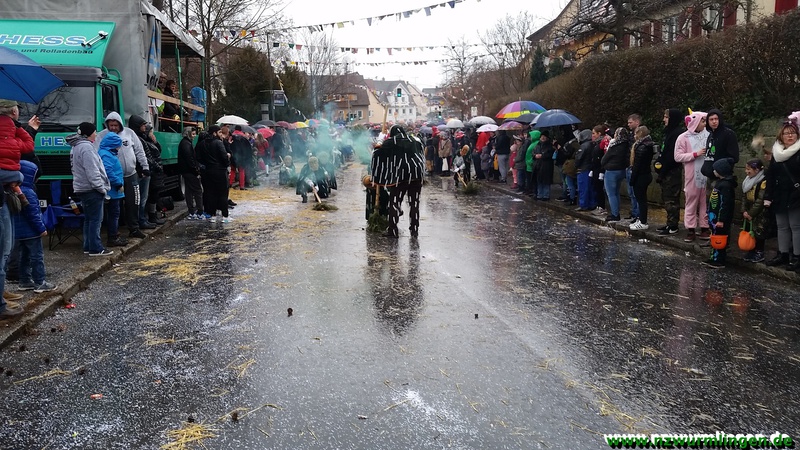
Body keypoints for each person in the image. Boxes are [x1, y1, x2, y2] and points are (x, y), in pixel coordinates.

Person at [95, 112, 149, 240]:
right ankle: (115, 231)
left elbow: (139, 151)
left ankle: (134, 228)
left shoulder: (129, 133)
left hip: (131, 174)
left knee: (134, 202)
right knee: (114, 206)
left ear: (120, 124)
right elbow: (96, 154)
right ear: (107, 124)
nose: (113, 127)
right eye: (111, 125)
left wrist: (145, 166)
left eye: (116, 125)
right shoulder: (101, 135)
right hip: (113, 177)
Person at [370, 125, 425, 238]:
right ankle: (414, 229)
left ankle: (393, 230)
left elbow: (378, 154)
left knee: (395, 202)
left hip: (400, 176)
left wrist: (379, 143)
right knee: (414, 203)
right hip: (416, 175)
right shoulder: (414, 140)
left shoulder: (391, 142)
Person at [68, 122, 112, 256]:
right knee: (95, 220)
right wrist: (101, 188)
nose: (96, 134)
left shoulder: (76, 147)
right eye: (94, 132)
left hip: (81, 188)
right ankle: (96, 248)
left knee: (88, 219)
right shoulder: (87, 148)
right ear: (88, 134)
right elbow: (92, 171)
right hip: (91, 189)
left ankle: (88, 245)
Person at [13, 160, 56, 293]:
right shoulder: (29, 192)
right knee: (36, 257)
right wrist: (41, 229)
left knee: (23, 256)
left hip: (18, 232)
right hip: (31, 232)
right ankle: (39, 282)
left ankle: (24, 281)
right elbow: (33, 214)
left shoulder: (13, 191)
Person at [764, 119, 800, 269]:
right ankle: (783, 254)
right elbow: (770, 176)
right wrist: (767, 196)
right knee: (782, 226)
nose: (790, 136)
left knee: (796, 226)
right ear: (781, 136)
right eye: (786, 133)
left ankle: (797, 257)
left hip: (796, 195)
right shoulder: (777, 153)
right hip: (780, 194)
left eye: (793, 133)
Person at [674, 111, 711, 243]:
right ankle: (690, 229)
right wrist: (695, 154)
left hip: (706, 175)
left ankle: (705, 227)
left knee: (705, 202)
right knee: (691, 201)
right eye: (702, 121)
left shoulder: (709, 135)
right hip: (692, 175)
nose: (705, 124)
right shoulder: (683, 137)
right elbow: (677, 156)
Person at [655, 108, 685, 235]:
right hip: (665, 170)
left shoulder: (677, 134)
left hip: (672, 171)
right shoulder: (669, 132)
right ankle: (669, 223)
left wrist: (663, 170)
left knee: (671, 199)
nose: (664, 120)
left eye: (666, 117)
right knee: (666, 198)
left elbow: (672, 156)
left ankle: (673, 225)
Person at [704, 158, 737, 268]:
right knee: (714, 237)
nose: (713, 171)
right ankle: (713, 257)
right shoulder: (719, 183)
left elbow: (725, 204)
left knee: (720, 239)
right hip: (714, 217)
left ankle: (719, 259)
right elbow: (713, 202)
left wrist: (721, 220)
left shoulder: (726, 186)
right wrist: (709, 213)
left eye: (715, 169)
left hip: (720, 219)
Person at [97, 132, 127, 247]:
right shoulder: (106, 155)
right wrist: (118, 184)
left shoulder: (106, 153)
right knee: (114, 214)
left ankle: (114, 234)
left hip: (112, 189)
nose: (119, 147)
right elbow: (108, 172)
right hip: (112, 190)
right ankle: (113, 237)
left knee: (113, 213)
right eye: (118, 145)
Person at [195, 126, 231, 222]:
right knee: (223, 193)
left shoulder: (202, 144)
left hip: (208, 171)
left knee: (211, 193)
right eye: (219, 132)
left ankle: (212, 215)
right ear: (214, 133)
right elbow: (224, 157)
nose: (221, 134)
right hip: (220, 171)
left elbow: (198, 157)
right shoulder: (218, 143)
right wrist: (228, 158)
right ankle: (225, 216)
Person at [600, 127, 630, 222]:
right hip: (622, 170)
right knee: (616, 192)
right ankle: (616, 211)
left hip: (611, 170)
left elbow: (604, 159)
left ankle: (615, 214)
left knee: (611, 193)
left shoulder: (615, 146)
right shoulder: (627, 145)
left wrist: (604, 164)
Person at [741, 158, 768, 263]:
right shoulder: (747, 180)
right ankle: (751, 250)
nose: (746, 171)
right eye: (746, 169)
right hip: (749, 210)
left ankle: (759, 252)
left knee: (759, 232)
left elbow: (760, 200)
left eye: (749, 169)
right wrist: (744, 210)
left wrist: (751, 213)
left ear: (757, 170)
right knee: (750, 231)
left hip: (759, 212)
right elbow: (744, 196)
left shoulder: (763, 181)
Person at [629, 126, 655, 230]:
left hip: (641, 176)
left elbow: (637, 165)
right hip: (645, 174)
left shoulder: (642, 147)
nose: (634, 135)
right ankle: (641, 219)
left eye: (636, 133)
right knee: (641, 199)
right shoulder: (647, 145)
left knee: (641, 200)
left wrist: (632, 179)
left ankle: (643, 221)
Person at [701, 109, 740, 180]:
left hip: (721, 177)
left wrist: (720, 169)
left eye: (716, 119)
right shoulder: (711, 135)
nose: (714, 121)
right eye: (711, 119)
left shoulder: (728, 134)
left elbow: (734, 157)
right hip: (709, 176)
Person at [177, 127, 203, 220]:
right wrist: (196, 170)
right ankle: (200, 211)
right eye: (193, 134)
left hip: (186, 171)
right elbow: (190, 159)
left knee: (189, 191)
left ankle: (191, 211)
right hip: (190, 171)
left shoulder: (185, 143)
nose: (194, 136)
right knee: (197, 190)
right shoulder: (186, 144)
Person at [625, 114, 643, 222]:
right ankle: (634, 212)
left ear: (637, 122)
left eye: (630, 122)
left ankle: (638, 214)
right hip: (629, 165)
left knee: (636, 193)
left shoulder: (641, 136)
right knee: (631, 192)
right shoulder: (630, 135)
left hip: (635, 167)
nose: (628, 125)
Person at [574, 129, 595, 211]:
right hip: (590, 168)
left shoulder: (584, 146)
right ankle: (592, 204)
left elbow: (578, 158)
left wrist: (576, 165)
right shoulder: (593, 144)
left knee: (583, 188)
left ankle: (583, 205)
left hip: (583, 169)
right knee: (591, 188)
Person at [533, 130, 555, 200]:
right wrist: (535, 156)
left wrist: (542, 156)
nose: (543, 138)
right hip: (538, 165)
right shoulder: (537, 145)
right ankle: (540, 195)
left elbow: (550, 154)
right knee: (539, 181)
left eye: (544, 136)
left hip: (546, 166)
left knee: (546, 181)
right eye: (542, 136)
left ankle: (546, 195)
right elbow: (533, 152)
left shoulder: (549, 146)